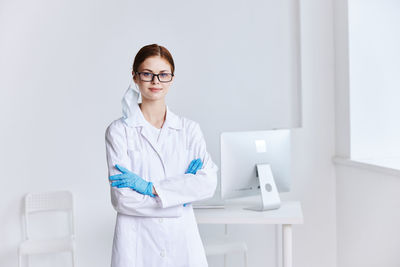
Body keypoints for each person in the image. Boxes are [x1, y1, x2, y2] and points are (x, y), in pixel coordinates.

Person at [105, 43, 218, 267]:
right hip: (137, 246)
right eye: (147, 74)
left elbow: (208, 183)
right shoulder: (119, 131)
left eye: (163, 74)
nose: (156, 81)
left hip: (181, 244)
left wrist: (150, 188)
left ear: (172, 78)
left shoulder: (188, 130)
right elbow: (123, 199)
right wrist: (180, 197)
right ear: (135, 77)